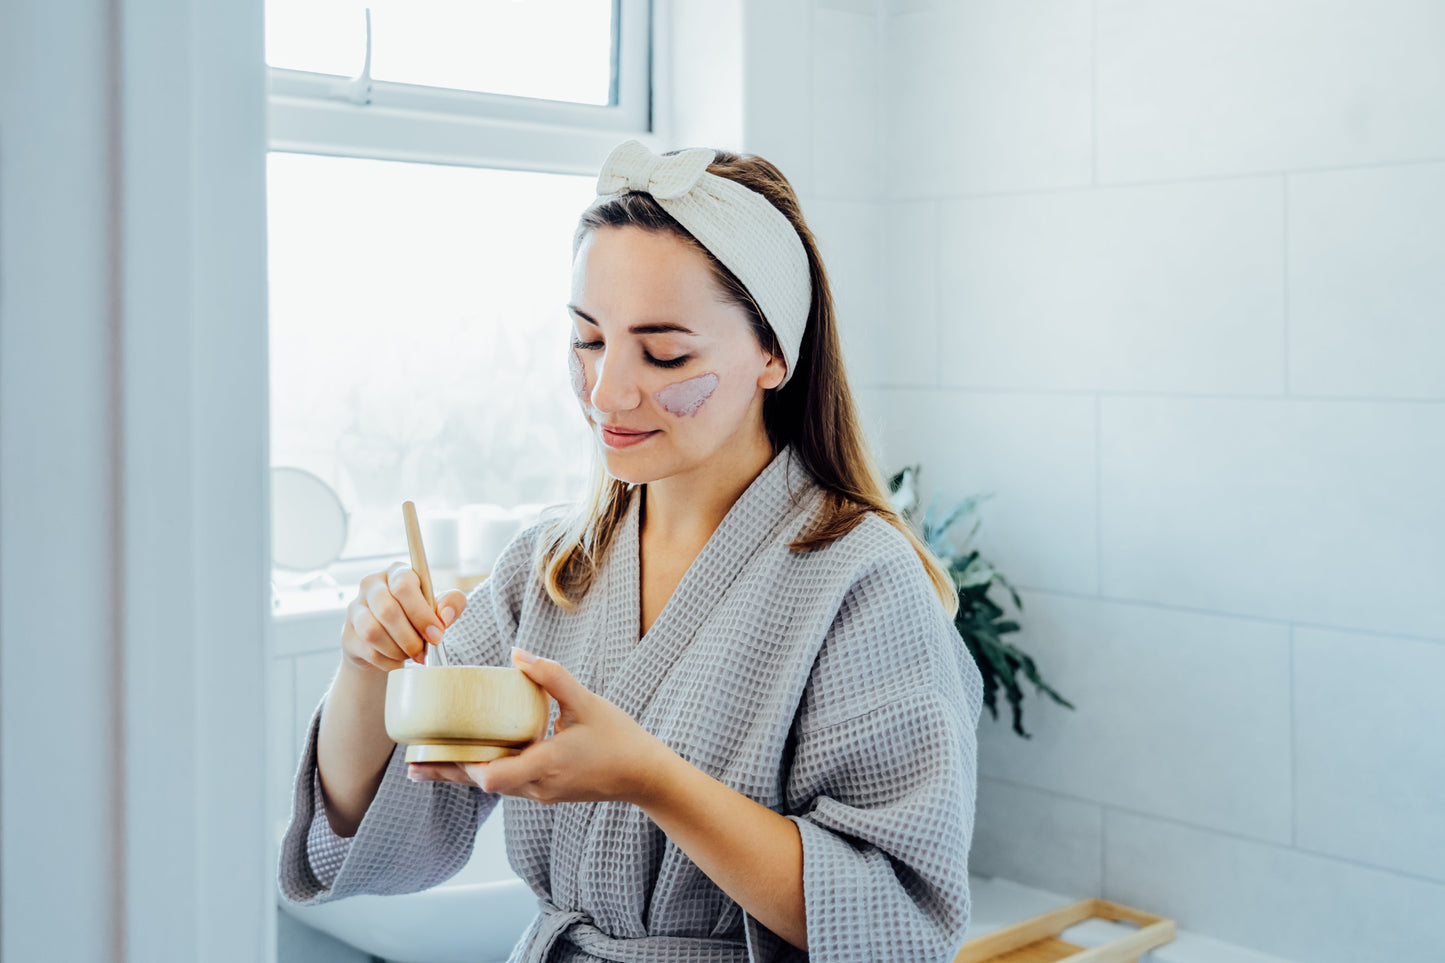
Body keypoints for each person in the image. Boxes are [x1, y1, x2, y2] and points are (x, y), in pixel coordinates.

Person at [276, 138, 985, 963]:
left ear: (772, 353)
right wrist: (367, 672)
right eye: (587, 340)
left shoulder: (863, 582)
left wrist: (648, 776)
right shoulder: (546, 569)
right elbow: (377, 838)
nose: (607, 392)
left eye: (665, 353)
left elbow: (899, 922)